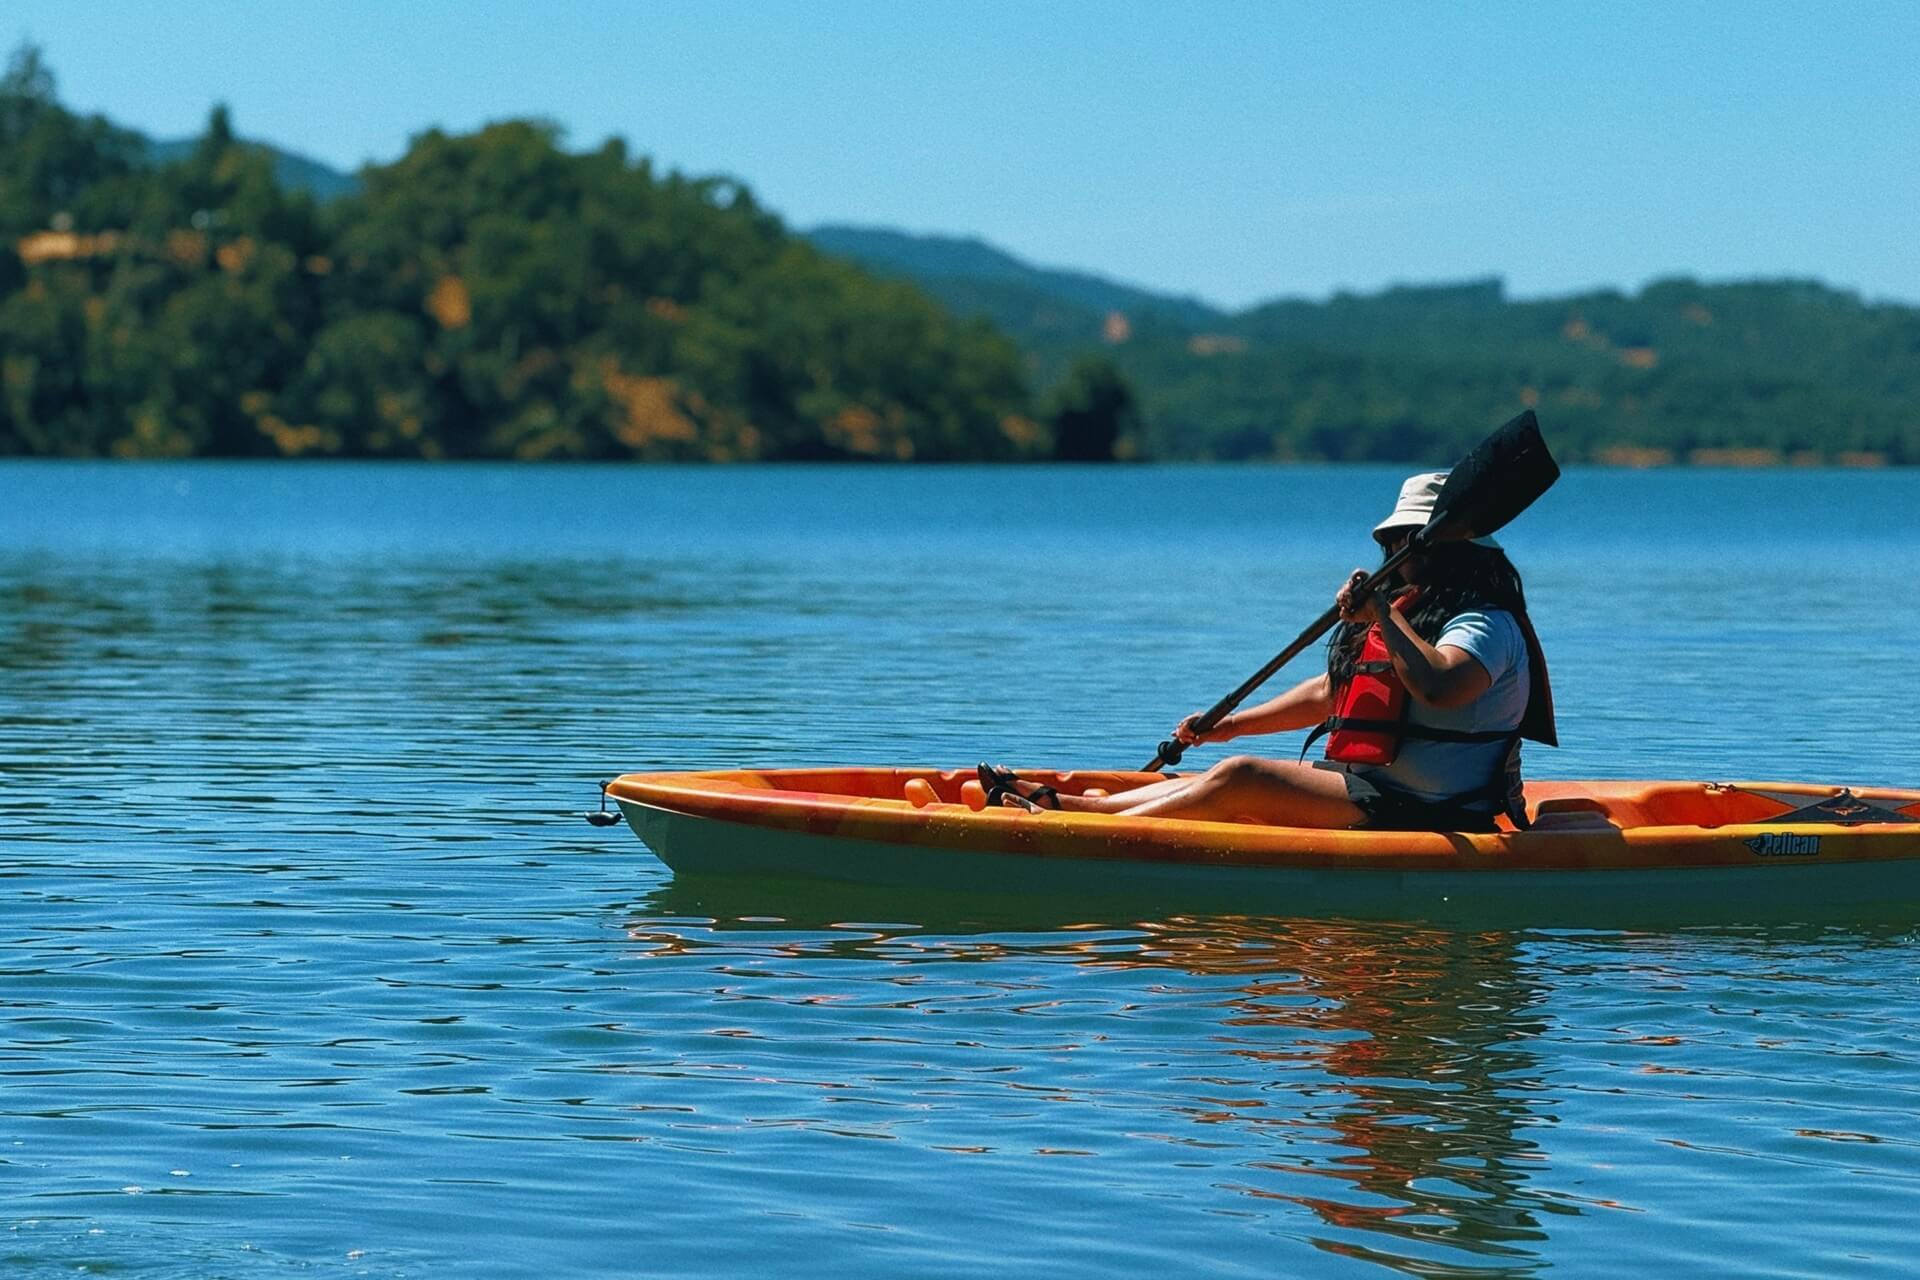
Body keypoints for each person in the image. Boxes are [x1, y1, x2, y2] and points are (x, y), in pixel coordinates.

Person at [984, 471, 1556, 830]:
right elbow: (1333, 693)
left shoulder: (1485, 624)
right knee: (1206, 776)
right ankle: (1081, 810)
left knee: (1242, 777)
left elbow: (1441, 686)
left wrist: (1380, 611)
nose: (1397, 552)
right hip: (1378, 792)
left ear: (1454, 548)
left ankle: (1084, 823)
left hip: (1439, 810)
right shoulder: (1412, 613)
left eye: (1406, 542)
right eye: (1392, 541)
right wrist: (1232, 725)